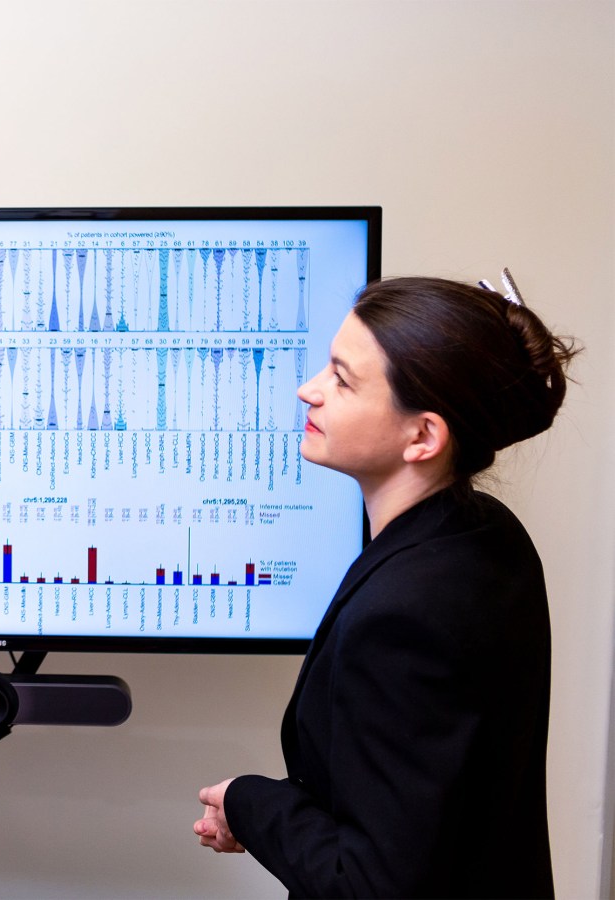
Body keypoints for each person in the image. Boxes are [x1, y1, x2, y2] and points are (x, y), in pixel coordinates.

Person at [193, 273, 578, 897]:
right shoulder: (486, 535)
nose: (308, 391)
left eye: (342, 380)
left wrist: (249, 802)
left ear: (423, 436)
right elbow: (433, 817)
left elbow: (375, 885)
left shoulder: (405, 614)